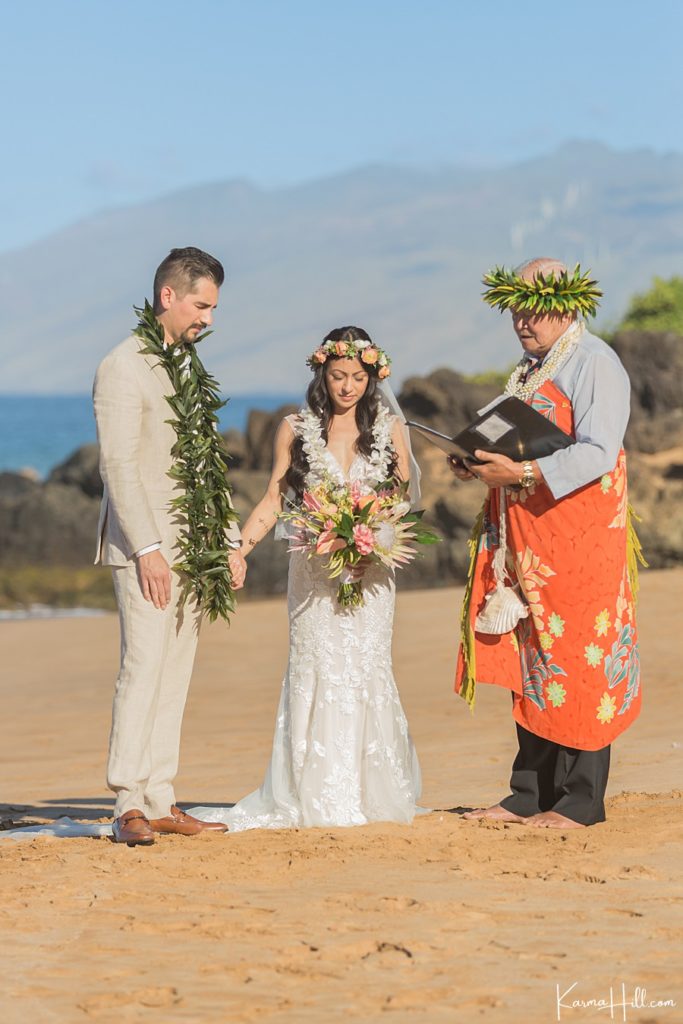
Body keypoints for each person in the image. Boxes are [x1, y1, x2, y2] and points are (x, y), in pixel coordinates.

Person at [190, 326, 423, 830]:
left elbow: (400, 502)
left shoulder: (390, 430)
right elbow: (276, 498)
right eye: (338, 376)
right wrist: (240, 549)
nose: (347, 387)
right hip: (313, 572)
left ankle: (368, 791)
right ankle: (311, 790)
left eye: (357, 377)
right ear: (323, 373)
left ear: (372, 377)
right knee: (315, 669)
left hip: (372, 570)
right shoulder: (295, 428)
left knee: (364, 668)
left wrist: (371, 538)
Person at [451, 258, 643, 829]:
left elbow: (597, 452)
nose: (520, 321)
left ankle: (581, 800)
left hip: (580, 539)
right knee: (530, 657)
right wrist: (479, 461)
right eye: (513, 309)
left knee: (581, 657)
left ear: (566, 307)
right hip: (530, 539)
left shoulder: (595, 363)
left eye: (531, 309)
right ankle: (528, 793)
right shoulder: (531, 369)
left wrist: (523, 476)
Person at [93, 247, 247, 846]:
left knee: (175, 672)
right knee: (143, 666)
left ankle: (160, 796)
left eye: (213, 307)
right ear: (168, 297)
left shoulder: (186, 365)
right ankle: (128, 801)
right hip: (144, 548)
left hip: (196, 546)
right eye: (202, 304)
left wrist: (229, 541)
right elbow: (118, 464)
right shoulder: (123, 365)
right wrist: (148, 548)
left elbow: (209, 466)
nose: (208, 317)